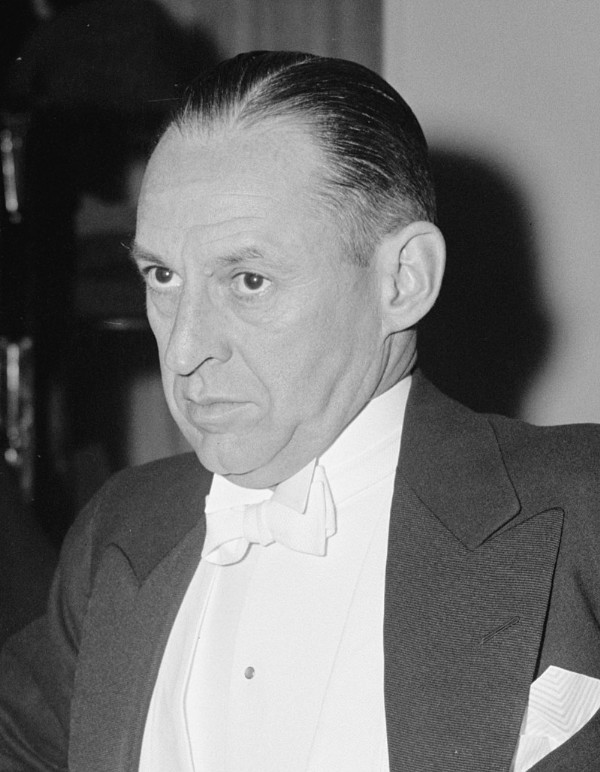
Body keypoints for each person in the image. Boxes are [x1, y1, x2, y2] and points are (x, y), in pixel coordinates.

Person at [1, 50, 600, 772]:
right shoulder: (122, 531)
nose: (185, 349)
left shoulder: (580, 510)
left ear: (403, 280)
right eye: (162, 276)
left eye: (248, 280)